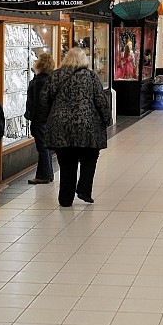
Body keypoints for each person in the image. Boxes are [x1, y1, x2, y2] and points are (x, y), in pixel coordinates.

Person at [39, 47, 111, 207]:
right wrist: (107, 119)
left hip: (61, 126)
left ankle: (65, 198)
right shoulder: (91, 76)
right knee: (90, 158)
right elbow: (100, 100)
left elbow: (44, 99)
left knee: (66, 163)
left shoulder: (55, 76)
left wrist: (49, 117)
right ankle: (84, 190)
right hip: (87, 125)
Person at [25, 51, 56, 184]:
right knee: (46, 147)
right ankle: (48, 173)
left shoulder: (39, 81)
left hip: (39, 119)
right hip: (47, 119)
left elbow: (38, 102)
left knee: (42, 148)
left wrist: (34, 118)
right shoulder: (50, 79)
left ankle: (43, 175)